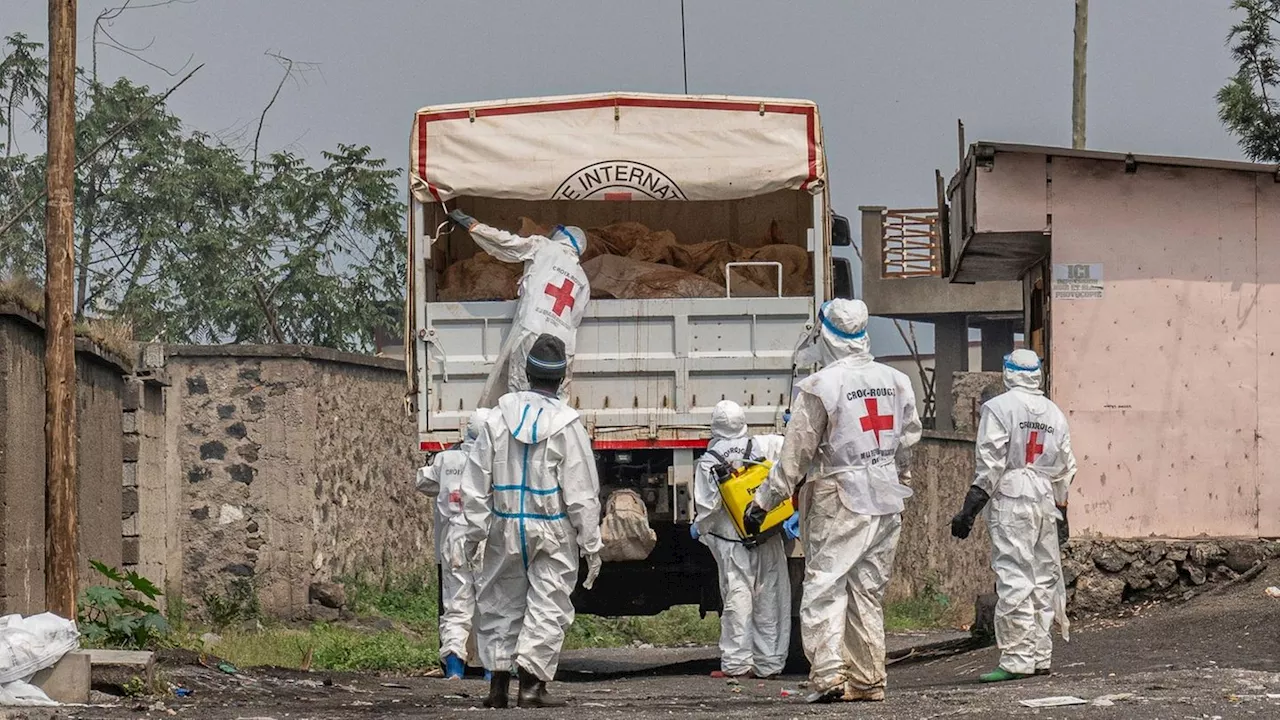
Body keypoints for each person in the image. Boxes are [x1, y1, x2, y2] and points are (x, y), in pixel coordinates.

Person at [743, 298, 921, 703]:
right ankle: (867, 679)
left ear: (825, 335)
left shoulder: (821, 385)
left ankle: (827, 677)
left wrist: (764, 501)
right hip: (885, 495)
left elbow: (796, 453)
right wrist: (900, 479)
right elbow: (908, 440)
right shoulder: (896, 380)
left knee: (825, 585)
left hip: (838, 496)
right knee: (867, 590)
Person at [461, 334, 603, 709]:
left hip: (503, 525)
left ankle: (497, 689)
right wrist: (591, 544)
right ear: (561, 378)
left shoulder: (495, 421)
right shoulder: (568, 425)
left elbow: (476, 482)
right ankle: (531, 689)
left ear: (526, 372)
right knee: (549, 603)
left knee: (498, 603)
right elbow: (581, 490)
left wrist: (473, 533)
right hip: (552, 528)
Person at [950, 349, 1076, 683]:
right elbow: (1066, 466)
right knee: (1043, 577)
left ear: (1008, 372)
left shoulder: (999, 408)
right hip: (1045, 499)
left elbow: (991, 462)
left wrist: (970, 508)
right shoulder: (1054, 412)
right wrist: (1062, 510)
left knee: (1015, 575)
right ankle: (1039, 655)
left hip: (1012, 496)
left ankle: (1017, 659)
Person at [448, 209, 590, 408]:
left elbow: (507, 244)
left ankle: (520, 436)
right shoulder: (582, 278)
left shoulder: (545, 247)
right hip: (563, 344)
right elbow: (575, 318)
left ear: (562, 236)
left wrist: (475, 228)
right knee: (557, 406)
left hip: (532, 331)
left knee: (522, 398)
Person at [691, 400, 789, 680]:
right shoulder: (763, 445)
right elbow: (794, 454)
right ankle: (769, 663)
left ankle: (737, 664)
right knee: (769, 596)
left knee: (737, 597)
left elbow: (708, 509)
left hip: (732, 542)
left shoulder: (710, 460)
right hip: (765, 534)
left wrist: (700, 529)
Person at [415, 408, 491, 680]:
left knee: (456, 604)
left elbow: (423, 482)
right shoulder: (498, 461)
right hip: (486, 538)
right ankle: (492, 671)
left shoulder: (446, 460)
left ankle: (455, 667)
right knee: (489, 605)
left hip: (455, 537)